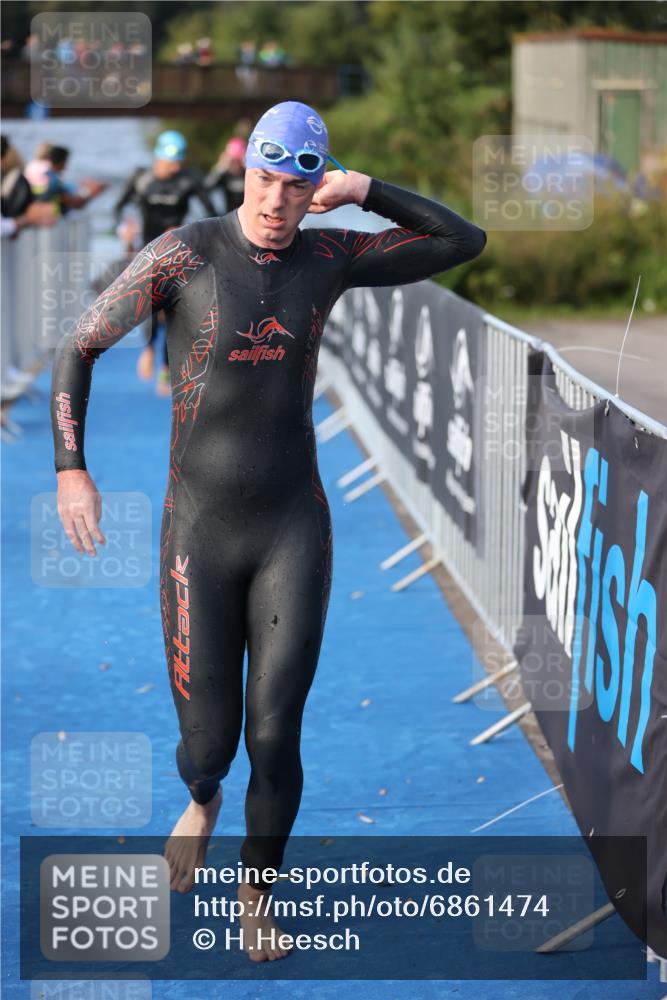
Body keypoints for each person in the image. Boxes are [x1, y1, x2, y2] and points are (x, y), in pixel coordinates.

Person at [50, 100, 486, 962]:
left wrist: (363, 188)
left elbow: (459, 240)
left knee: (275, 733)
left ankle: (258, 900)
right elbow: (79, 345)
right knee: (208, 744)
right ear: (244, 169)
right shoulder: (185, 252)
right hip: (197, 530)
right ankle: (203, 797)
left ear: (315, 187)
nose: (276, 201)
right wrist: (72, 471)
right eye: (263, 179)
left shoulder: (331, 254)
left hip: (292, 526)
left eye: (296, 186)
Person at [113, 129, 216, 393]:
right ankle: (148, 349)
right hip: (148, 251)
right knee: (151, 303)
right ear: (159, 157)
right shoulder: (141, 179)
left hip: (179, 251)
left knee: (175, 306)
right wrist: (124, 228)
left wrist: (187, 227)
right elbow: (118, 210)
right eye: (172, 161)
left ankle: (167, 366)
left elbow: (214, 217)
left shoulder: (189, 181)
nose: (177, 167)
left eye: (180, 161)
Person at [204, 137, 246, 213]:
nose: (234, 165)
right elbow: (206, 187)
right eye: (232, 161)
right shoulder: (224, 174)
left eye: (237, 161)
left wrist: (248, 165)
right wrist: (220, 167)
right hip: (230, 214)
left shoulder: (247, 173)